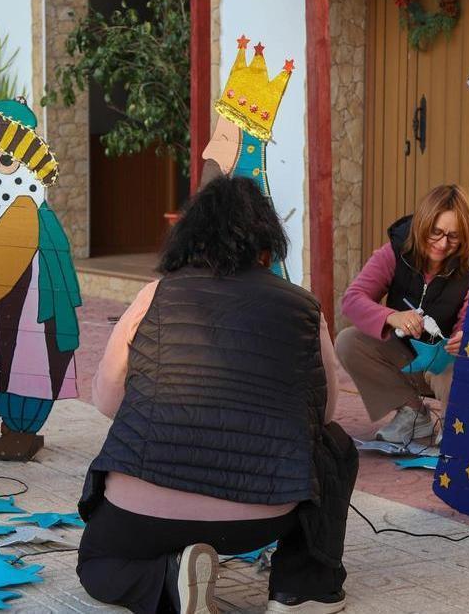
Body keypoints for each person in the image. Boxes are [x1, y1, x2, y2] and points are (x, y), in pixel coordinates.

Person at [76, 177, 356, 614]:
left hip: (145, 511)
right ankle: (302, 590)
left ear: (189, 239)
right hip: (260, 517)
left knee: (98, 563)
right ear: (266, 244)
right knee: (335, 445)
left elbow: (108, 402)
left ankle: (170, 579)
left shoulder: (153, 296)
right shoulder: (304, 307)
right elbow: (322, 415)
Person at [336, 184, 469, 444]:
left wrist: (463, 336)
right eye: (436, 232)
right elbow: (352, 299)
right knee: (348, 341)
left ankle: (454, 425)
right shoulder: (396, 251)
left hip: (443, 366)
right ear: (423, 224)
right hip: (402, 359)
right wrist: (392, 316)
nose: (443, 244)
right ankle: (414, 414)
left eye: (454, 236)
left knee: (460, 359)